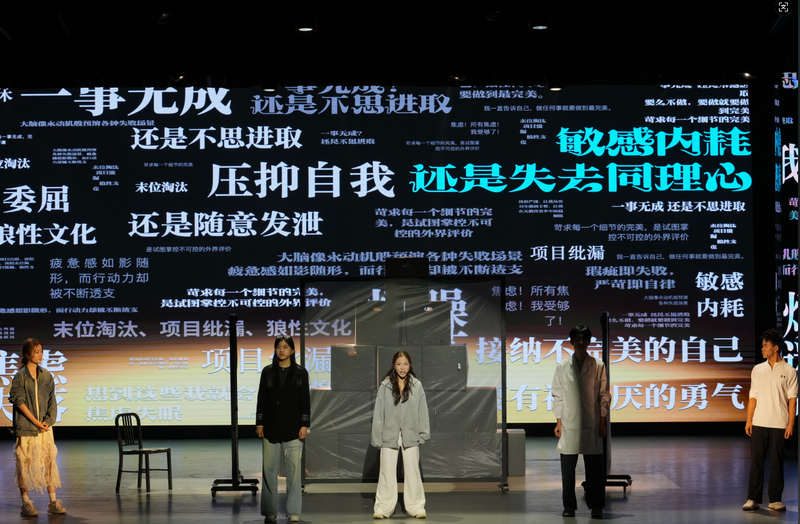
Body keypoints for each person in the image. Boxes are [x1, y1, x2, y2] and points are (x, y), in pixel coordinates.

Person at [552, 324, 611, 519]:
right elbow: (557, 395)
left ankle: (596, 506)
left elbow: (604, 395)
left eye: (584, 338)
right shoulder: (562, 367)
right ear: (571, 341)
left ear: (589, 341)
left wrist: (602, 421)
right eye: (576, 338)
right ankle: (569, 506)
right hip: (569, 421)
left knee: (595, 469)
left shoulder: (598, 365)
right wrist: (558, 421)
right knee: (568, 469)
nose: (580, 342)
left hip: (591, 421)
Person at [8, 338, 66, 516]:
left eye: (41, 351)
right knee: (24, 463)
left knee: (49, 461)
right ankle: (26, 503)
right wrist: (35, 422)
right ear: (27, 354)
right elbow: (19, 402)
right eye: (37, 352)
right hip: (27, 427)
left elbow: (52, 401)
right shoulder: (20, 376)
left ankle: (53, 502)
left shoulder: (46, 375)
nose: (41, 355)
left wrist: (48, 421)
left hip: (44, 427)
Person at [256, 335, 310, 523]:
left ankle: (293, 511)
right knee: (269, 471)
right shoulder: (268, 371)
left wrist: (304, 424)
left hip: (293, 427)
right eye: (278, 346)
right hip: (270, 426)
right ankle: (270, 511)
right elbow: (262, 398)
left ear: (292, 351)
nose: (281, 350)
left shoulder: (300, 372)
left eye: (285, 347)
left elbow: (305, 400)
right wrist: (260, 423)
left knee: (294, 473)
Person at [742, 328, 798, 511]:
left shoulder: (790, 371)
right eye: (762, 345)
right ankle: (753, 499)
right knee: (756, 461)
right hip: (759, 422)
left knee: (777, 462)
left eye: (765, 345)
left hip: (779, 423)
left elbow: (792, 400)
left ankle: (775, 499)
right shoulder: (758, 369)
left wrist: (791, 424)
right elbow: (753, 396)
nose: (762, 349)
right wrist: (749, 420)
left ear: (775, 348)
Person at [371, 351, 430, 519]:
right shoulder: (386, 386)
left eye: (405, 364)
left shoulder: (417, 385)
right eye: (399, 364)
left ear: (410, 365)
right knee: (386, 471)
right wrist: (377, 437)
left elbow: (422, 411)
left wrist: (423, 434)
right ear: (393, 365)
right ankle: (383, 508)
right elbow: (379, 413)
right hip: (389, 434)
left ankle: (416, 507)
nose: (402, 368)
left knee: (413, 471)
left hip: (410, 434)